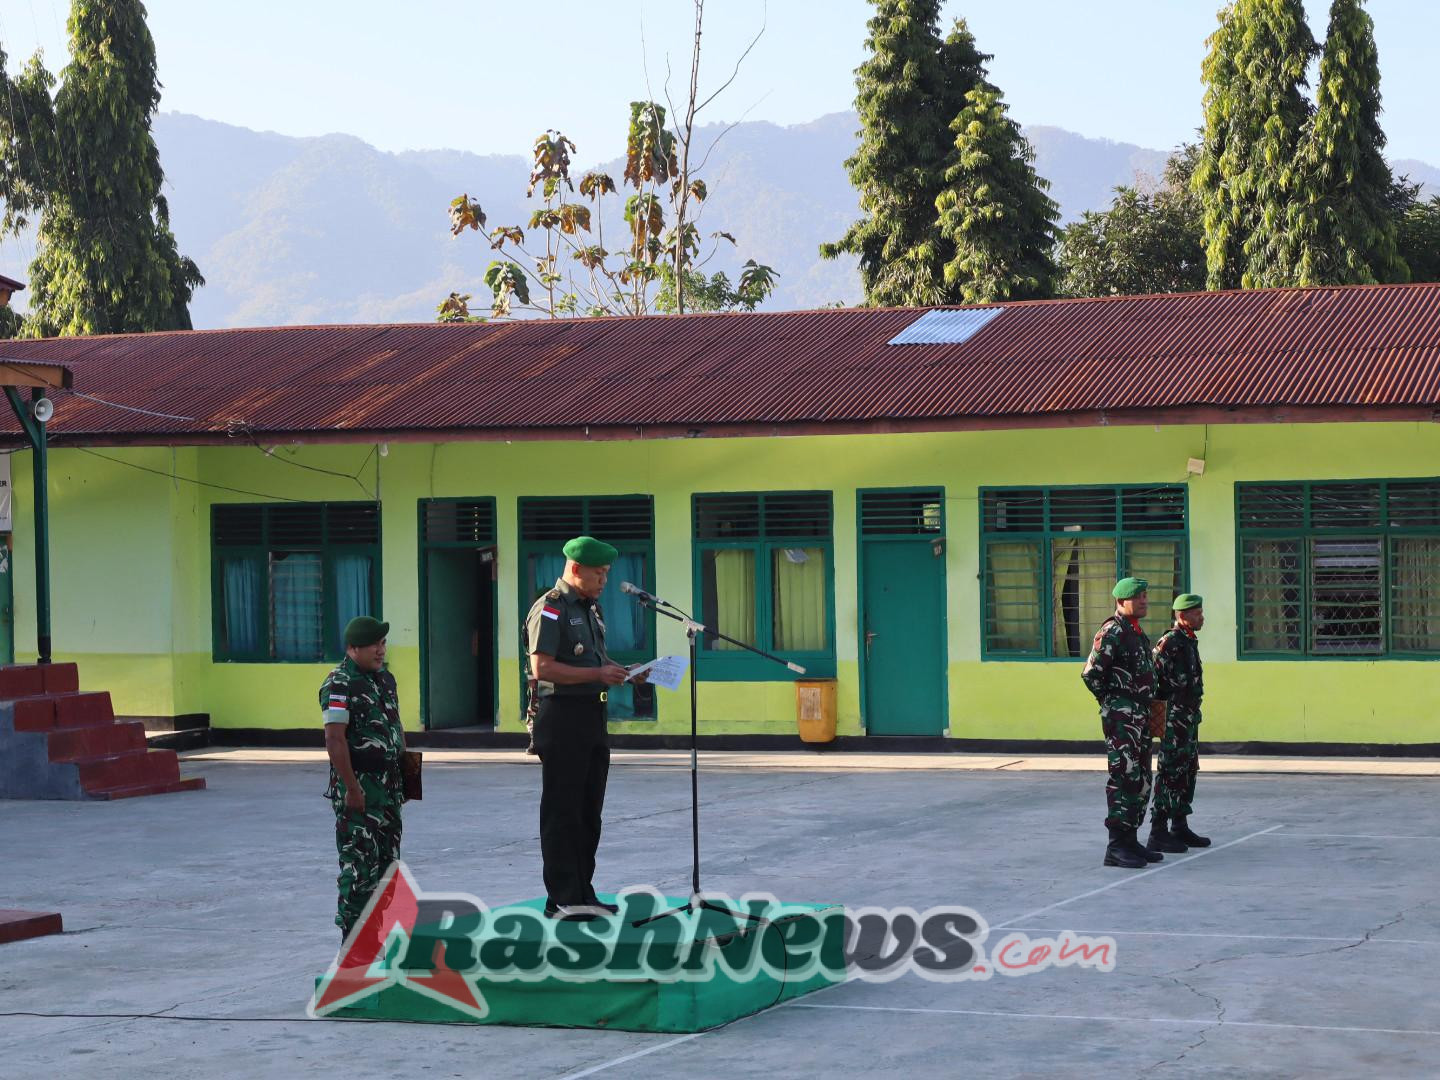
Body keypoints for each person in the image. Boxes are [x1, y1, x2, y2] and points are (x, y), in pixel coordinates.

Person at [524, 536, 631, 920]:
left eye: (606, 573)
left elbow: (596, 660)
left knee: (589, 811)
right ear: (575, 569)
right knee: (563, 811)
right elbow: (543, 668)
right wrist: (597, 673)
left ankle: (583, 891)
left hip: (590, 715)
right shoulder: (550, 609)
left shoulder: (590, 609)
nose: (604, 580)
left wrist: (621, 672)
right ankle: (563, 897)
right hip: (562, 717)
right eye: (598, 573)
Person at [321, 616, 408, 941]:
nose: (381, 650)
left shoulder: (385, 680)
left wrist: (408, 779)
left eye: (383, 643)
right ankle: (352, 944)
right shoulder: (339, 683)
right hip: (360, 793)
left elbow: (397, 729)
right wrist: (351, 788)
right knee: (359, 870)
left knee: (388, 869)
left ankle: (376, 938)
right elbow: (334, 739)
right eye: (374, 644)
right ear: (353, 648)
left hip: (389, 794)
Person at [1081, 577, 1163, 870]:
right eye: (1137, 596)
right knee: (1124, 776)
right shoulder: (1112, 631)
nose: (1144, 600)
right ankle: (1115, 847)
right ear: (1121, 601)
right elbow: (1091, 674)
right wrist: (1114, 704)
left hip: (1141, 715)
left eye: (1144, 595)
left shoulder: (1137, 634)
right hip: (1122, 717)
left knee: (1141, 779)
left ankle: (1130, 841)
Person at [1148, 594, 1211, 852]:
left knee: (1187, 770)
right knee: (1170, 772)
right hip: (1173, 720)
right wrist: (1159, 718)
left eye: (1201, 612)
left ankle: (1179, 826)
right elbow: (1152, 678)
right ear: (1182, 616)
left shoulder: (1188, 642)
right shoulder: (1170, 642)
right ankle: (1158, 831)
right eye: (1197, 613)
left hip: (1188, 718)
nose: (1202, 617)